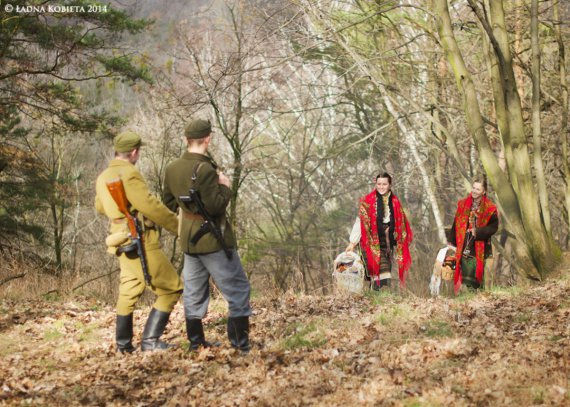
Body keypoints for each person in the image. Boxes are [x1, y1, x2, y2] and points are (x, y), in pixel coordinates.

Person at [162, 119, 252, 353]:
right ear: (208, 139)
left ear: (186, 140)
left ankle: (195, 343)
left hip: (189, 242)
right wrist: (225, 186)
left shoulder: (172, 168)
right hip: (213, 239)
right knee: (238, 288)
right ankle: (240, 345)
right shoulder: (207, 170)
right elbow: (215, 207)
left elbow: (168, 202)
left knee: (193, 290)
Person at [95, 130, 183, 353]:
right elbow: (150, 206)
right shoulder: (130, 173)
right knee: (172, 288)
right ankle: (150, 341)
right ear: (134, 152)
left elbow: (100, 206)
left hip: (119, 238)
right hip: (140, 239)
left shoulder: (103, 176)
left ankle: (123, 346)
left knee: (129, 289)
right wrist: (179, 227)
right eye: (139, 151)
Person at [346, 172, 413, 290]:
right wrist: (352, 242)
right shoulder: (368, 201)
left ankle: (375, 297)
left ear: (390, 185)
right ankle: (371, 297)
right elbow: (360, 222)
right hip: (369, 241)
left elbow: (401, 222)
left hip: (386, 244)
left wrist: (400, 240)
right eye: (379, 184)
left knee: (384, 275)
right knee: (377, 274)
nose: (381, 187)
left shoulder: (395, 202)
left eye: (384, 184)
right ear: (376, 184)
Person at [447, 176, 498, 293]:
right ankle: (471, 297)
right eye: (473, 188)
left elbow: (494, 227)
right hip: (464, 244)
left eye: (478, 189)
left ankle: (479, 297)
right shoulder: (463, 204)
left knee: (477, 274)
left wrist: (478, 232)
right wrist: (451, 242)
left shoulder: (490, 208)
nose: (474, 191)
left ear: (484, 191)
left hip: (480, 245)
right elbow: (456, 223)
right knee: (467, 273)